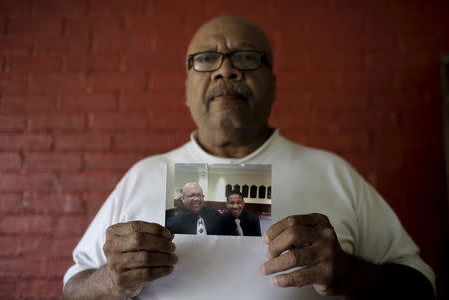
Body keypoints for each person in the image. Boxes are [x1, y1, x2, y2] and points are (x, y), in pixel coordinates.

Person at [62, 15, 435, 300]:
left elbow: (422, 284)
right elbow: (72, 287)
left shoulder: (334, 173)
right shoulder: (141, 176)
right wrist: (109, 280)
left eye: (246, 57)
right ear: (187, 88)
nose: (227, 69)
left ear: (272, 84)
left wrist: (351, 273)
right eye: (207, 59)